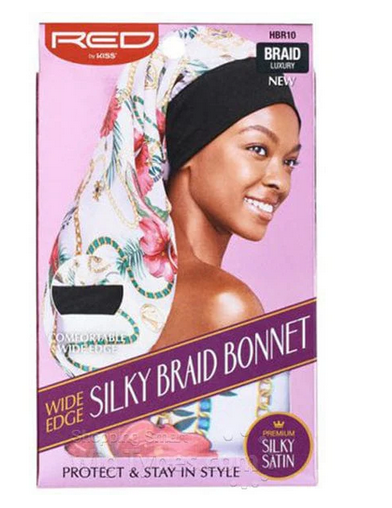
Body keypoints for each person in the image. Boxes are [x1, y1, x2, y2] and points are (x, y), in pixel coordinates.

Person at [43, 25, 301, 457]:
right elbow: (244, 470)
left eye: (290, 161)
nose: (280, 181)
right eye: (258, 149)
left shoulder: (119, 290)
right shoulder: (224, 304)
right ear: (189, 146)